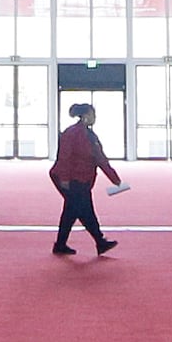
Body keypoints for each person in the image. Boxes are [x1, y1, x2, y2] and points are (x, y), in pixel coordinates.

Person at [50, 103, 124, 257]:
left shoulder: (89, 135)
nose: (94, 117)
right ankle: (100, 241)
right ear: (84, 116)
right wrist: (64, 179)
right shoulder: (73, 133)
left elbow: (100, 159)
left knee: (72, 211)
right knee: (85, 211)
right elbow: (64, 157)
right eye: (92, 114)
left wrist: (114, 179)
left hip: (80, 179)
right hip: (71, 178)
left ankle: (61, 244)